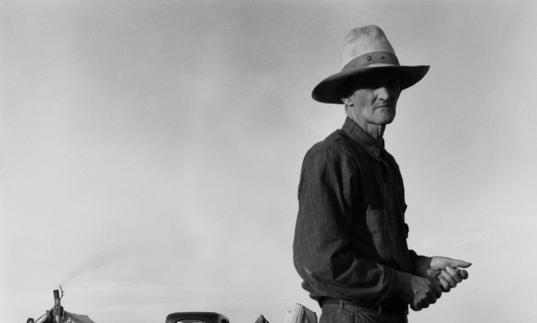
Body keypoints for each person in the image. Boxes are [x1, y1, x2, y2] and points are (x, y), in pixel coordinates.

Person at [293, 25, 471, 323]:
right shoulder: (329, 157)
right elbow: (320, 264)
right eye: (371, 83)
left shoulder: (386, 164)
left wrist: (420, 267)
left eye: (391, 81)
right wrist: (402, 283)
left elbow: (378, 252)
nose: (385, 93)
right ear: (346, 96)